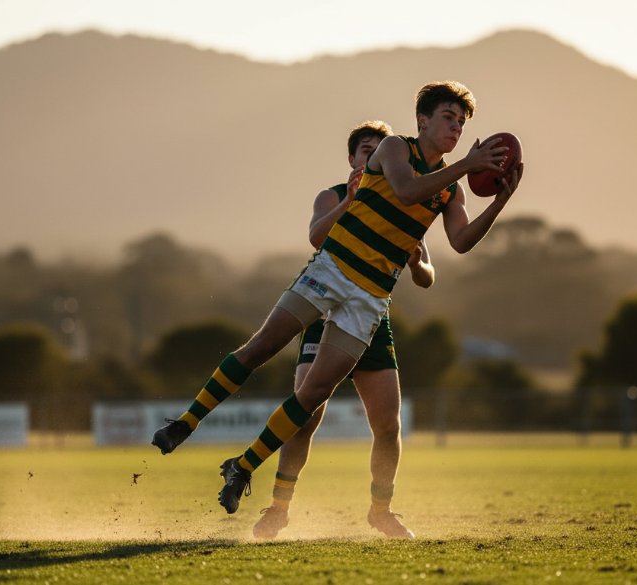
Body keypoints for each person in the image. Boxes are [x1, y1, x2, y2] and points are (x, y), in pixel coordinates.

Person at [151, 80, 523, 522]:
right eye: (448, 118)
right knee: (261, 348)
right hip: (332, 270)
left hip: (369, 298)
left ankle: (243, 465)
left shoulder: (450, 189)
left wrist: (500, 200)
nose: (456, 129)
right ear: (422, 119)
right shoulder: (393, 149)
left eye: (462, 124)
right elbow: (405, 191)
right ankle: (185, 423)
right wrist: (466, 164)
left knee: (313, 397)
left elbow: (460, 242)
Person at [252, 120, 433, 540]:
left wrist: (417, 263)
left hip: (370, 321)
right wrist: (349, 202)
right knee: (306, 416)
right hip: (325, 313)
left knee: (388, 425)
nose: (374, 158)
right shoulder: (333, 196)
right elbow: (316, 238)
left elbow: (426, 277)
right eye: (366, 151)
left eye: (381, 151)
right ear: (352, 159)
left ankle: (381, 510)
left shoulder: (407, 203)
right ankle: (278, 508)